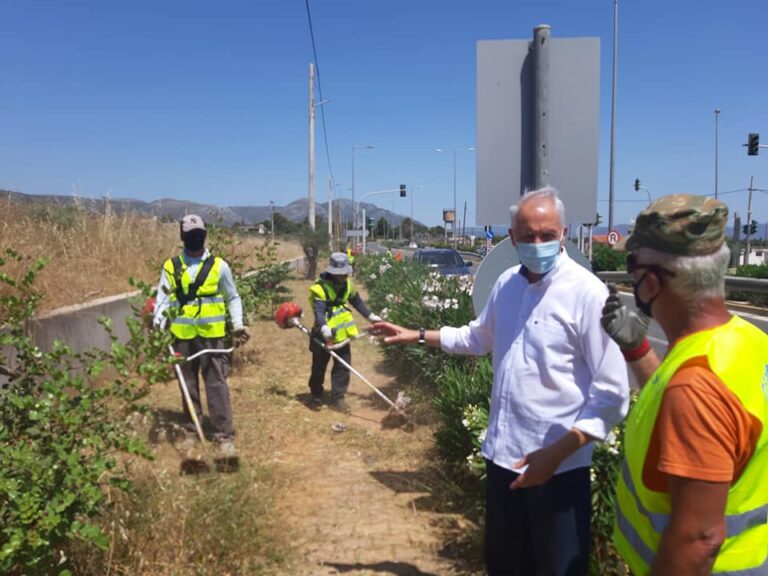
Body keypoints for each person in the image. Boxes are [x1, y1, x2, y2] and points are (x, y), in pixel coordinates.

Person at [373, 187, 629, 575]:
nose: (538, 243)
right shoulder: (507, 283)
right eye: (528, 236)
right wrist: (417, 334)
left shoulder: (588, 294)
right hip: (502, 457)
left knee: (556, 568)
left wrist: (558, 453)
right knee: (505, 564)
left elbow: (612, 394)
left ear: (564, 233)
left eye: (547, 234)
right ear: (512, 238)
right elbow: (478, 338)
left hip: (559, 471)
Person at [601, 194, 768, 575]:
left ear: (652, 281)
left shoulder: (696, 387)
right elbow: (672, 405)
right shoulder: (746, 339)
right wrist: (636, 349)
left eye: (633, 266)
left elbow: (698, 539)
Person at [153, 214, 251, 457]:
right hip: (182, 335)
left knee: (216, 384)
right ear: (182, 237)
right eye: (191, 235)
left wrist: (238, 324)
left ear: (204, 236)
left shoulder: (220, 266)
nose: (195, 239)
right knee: (187, 385)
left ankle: (223, 435)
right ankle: (191, 430)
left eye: (199, 235)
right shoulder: (171, 266)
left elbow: (232, 296)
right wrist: (158, 323)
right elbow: (162, 300)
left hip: (212, 336)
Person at [308, 252, 381, 413]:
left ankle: (338, 397)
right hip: (323, 334)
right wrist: (324, 327)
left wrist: (371, 317)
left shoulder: (348, 285)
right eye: (339, 274)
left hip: (341, 334)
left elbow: (358, 303)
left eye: (344, 274)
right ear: (332, 272)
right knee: (319, 367)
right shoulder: (320, 288)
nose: (342, 277)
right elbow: (319, 312)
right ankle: (316, 395)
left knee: (343, 365)